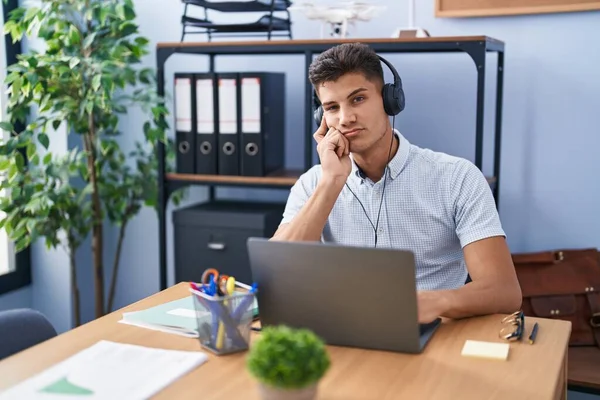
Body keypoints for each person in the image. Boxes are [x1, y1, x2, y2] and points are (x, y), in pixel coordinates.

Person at [271, 42, 522, 324]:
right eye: (332, 107)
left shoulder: (457, 177)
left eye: (358, 99)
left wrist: (433, 302)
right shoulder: (313, 184)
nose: (345, 118)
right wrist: (331, 182)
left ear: (390, 100)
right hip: (344, 329)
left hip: (432, 329)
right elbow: (277, 273)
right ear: (322, 118)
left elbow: (504, 292)